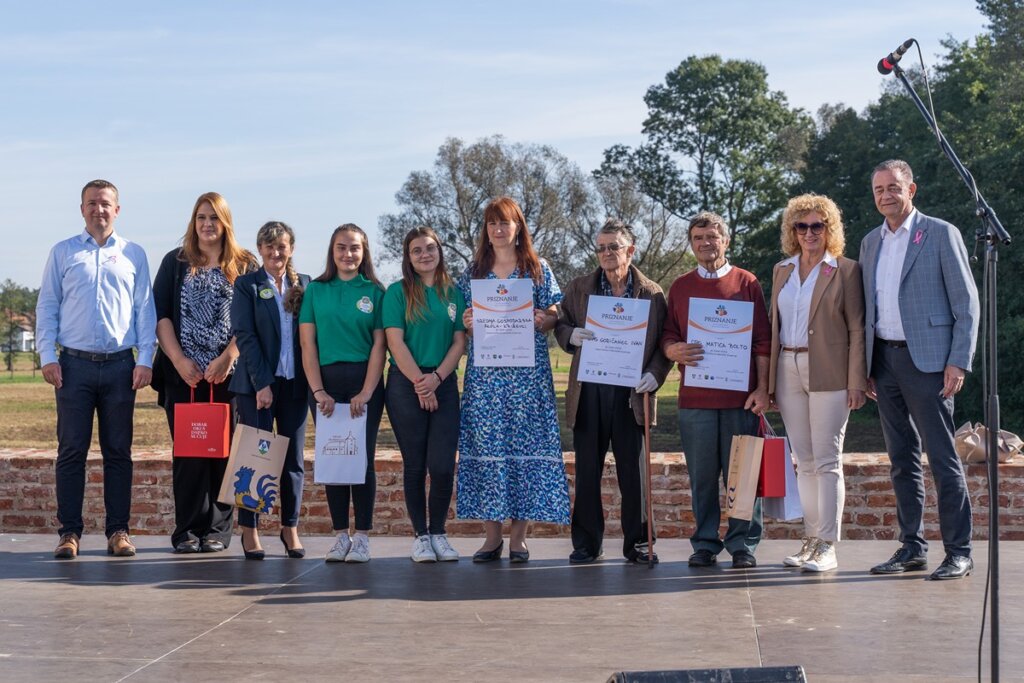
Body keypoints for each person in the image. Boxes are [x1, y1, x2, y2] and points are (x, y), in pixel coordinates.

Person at [860, 160, 980, 580]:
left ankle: (959, 552)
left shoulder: (941, 233)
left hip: (929, 363)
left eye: (893, 187)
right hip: (885, 362)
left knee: (944, 459)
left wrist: (958, 360)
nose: (885, 195)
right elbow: (867, 309)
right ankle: (911, 547)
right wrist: (866, 366)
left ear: (913, 189)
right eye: (878, 189)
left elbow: (967, 304)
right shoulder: (870, 242)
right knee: (901, 459)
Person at [37, 180, 157, 559]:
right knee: (71, 451)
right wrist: (47, 355)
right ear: (82, 209)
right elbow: (47, 306)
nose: (98, 210)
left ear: (117, 210)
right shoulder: (63, 253)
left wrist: (144, 360)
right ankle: (69, 534)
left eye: (105, 204)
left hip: (122, 367)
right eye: (92, 203)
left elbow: (144, 310)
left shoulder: (134, 254)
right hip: (72, 367)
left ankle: (118, 532)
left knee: (118, 452)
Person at [458, 196, 570, 562]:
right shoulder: (473, 272)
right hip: (486, 381)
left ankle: (519, 538)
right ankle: (491, 538)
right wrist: (468, 323)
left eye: (505, 222)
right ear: (486, 231)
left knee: (525, 456)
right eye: (492, 223)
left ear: (518, 227)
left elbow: (556, 313)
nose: (498, 229)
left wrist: (544, 319)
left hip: (528, 379)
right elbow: (464, 321)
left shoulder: (538, 269)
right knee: (488, 453)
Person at [554, 219, 671, 564]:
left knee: (633, 474)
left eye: (613, 247)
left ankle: (638, 542)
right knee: (587, 471)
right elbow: (559, 322)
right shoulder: (578, 288)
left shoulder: (652, 293)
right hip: (589, 391)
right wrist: (569, 336)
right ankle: (587, 543)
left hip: (631, 395)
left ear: (630, 250)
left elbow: (665, 343)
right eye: (601, 247)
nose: (606, 253)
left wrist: (655, 374)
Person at [660, 211, 771, 569]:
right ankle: (705, 542)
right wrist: (672, 350)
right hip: (696, 400)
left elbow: (763, 341)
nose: (706, 243)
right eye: (698, 238)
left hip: (742, 400)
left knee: (743, 475)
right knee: (703, 477)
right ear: (691, 244)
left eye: (712, 237)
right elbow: (667, 336)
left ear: (726, 241)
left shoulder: (746, 283)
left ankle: (743, 544)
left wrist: (763, 388)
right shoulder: (680, 286)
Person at [153, 192, 257, 554]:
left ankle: (216, 530)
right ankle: (186, 530)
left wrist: (229, 356)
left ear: (225, 221)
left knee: (223, 454)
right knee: (189, 454)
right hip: (184, 377)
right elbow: (162, 316)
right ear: (193, 222)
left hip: (229, 377)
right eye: (201, 217)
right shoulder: (175, 262)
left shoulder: (245, 264)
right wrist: (180, 361)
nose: (207, 224)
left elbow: (253, 320)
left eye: (214, 217)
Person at [767, 194, 867, 572]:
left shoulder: (845, 270)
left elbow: (857, 328)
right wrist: (768, 382)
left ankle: (828, 544)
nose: (809, 233)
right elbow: (772, 325)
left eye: (817, 225)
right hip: (787, 367)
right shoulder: (782, 270)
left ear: (830, 229)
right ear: (792, 230)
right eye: (801, 226)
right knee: (804, 463)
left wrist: (856, 379)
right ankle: (810, 538)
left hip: (829, 371)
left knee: (827, 461)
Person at [300, 224, 386, 563]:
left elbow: (380, 344)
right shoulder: (316, 291)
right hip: (325, 386)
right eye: (341, 248)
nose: (348, 254)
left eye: (354, 248)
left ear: (364, 252)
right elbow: (308, 343)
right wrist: (318, 389)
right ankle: (340, 537)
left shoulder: (376, 291)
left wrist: (366, 391)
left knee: (362, 458)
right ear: (331, 251)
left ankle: (362, 537)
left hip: (365, 384)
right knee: (334, 458)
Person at [382, 226, 467, 562]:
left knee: (443, 465)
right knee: (415, 465)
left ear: (439, 250)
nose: (424, 255)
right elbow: (394, 340)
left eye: (430, 248)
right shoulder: (397, 292)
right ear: (408, 256)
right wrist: (421, 382)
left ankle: (439, 534)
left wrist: (436, 379)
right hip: (406, 384)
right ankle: (420, 536)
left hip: (443, 382)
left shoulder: (453, 292)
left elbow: (460, 341)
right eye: (416, 250)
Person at [230, 221, 311, 560]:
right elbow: (245, 336)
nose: (276, 252)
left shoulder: (305, 284)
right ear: (260, 249)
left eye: (282, 246)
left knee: (293, 461)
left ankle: (289, 527)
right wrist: (262, 383)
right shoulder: (247, 285)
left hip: (295, 385)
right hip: (257, 386)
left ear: (291, 248)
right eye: (269, 246)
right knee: (255, 458)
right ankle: (250, 530)